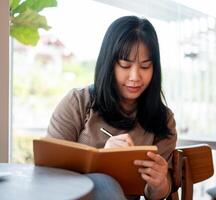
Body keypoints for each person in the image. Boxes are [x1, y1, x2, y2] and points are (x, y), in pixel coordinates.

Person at [47, 16, 177, 200]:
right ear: (109, 64)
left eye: (145, 66)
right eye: (125, 65)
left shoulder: (163, 120)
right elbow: (48, 172)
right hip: (71, 196)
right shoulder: (78, 102)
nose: (135, 76)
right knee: (104, 183)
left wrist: (160, 183)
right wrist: (103, 161)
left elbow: (156, 195)